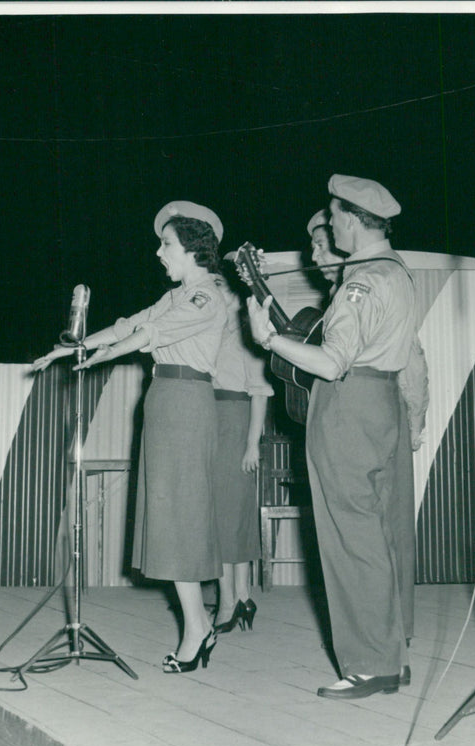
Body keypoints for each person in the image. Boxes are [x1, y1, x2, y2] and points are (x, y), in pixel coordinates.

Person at [32, 200, 228, 673]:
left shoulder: (207, 295)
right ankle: (198, 624)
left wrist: (100, 358)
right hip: (165, 400)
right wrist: (73, 348)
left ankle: (197, 629)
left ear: (194, 250)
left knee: (179, 516)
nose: (159, 253)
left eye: (167, 245)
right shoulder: (180, 293)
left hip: (186, 403)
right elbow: (131, 324)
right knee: (168, 516)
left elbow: (148, 335)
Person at [248, 174, 417, 699]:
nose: (329, 223)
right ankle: (392, 654)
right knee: (385, 535)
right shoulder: (400, 273)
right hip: (387, 400)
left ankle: (368, 664)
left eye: (333, 214)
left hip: (349, 406)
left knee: (351, 537)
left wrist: (269, 337)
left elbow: (331, 360)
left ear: (349, 217)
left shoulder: (359, 282)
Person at [210, 274, 273, 634]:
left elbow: (260, 392)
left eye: (217, 286)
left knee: (230, 514)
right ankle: (241, 595)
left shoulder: (248, 332)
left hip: (236, 423)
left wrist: (252, 443)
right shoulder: (213, 328)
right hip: (211, 420)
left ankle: (229, 601)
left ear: (233, 292)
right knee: (222, 514)